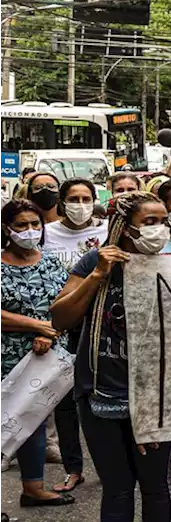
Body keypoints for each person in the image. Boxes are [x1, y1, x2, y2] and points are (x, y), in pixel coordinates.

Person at [51, 191, 171, 520]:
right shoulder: (95, 262)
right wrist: (97, 275)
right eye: (149, 223)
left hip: (154, 398)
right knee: (117, 487)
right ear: (125, 226)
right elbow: (61, 318)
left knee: (155, 486)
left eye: (164, 222)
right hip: (99, 393)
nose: (159, 230)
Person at [0, 199, 75, 508]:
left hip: (43, 358)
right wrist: (36, 326)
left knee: (33, 420)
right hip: (6, 355)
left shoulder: (51, 262)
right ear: (6, 229)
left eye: (35, 224)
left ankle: (33, 488)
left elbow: (66, 302)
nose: (29, 231)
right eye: (21, 225)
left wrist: (50, 332)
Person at [42, 177, 107, 494]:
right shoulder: (47, 233)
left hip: (103, 323)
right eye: (73, 198)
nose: (80, 205)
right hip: (63, 323)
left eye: (86, 198)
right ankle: (73, 468)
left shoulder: (107, 232)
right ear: (61, 201)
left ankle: (116, 466)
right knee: (66, 403)